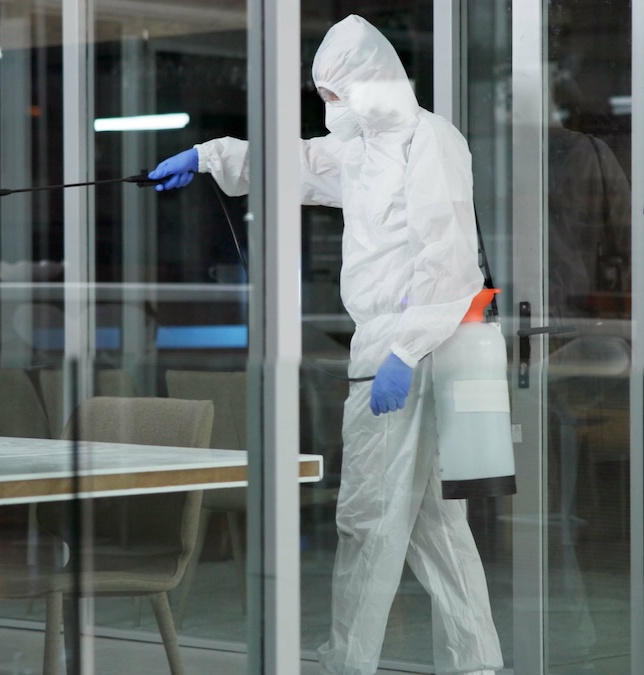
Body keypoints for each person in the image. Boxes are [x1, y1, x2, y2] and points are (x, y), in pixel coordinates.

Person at [147, 15, 503, 675]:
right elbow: (296, 163)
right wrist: (207, 157)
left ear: (371, 81)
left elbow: (449, 261)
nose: (329, 106)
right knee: (432, 520)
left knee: (367, 514)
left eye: (336, 93)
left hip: (415, 346)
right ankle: (476, 660)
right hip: (391, 344)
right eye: (324, 95)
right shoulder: (363, 149)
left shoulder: (429, 140)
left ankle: (349, 661)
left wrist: (404, 352)